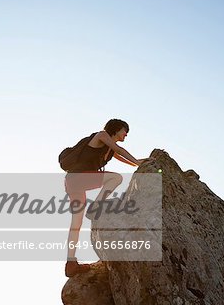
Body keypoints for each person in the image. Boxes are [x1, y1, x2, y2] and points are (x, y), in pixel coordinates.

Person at [64, 119, 155, 277]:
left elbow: (125, 158)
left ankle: (70, 263)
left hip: (73, 182)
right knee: (115, 178)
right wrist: (136, 162)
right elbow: (120, 150)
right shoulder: (102, 135)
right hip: (78, 178)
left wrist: (139, 162)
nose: (126, 134)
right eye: (124, 130)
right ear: (116, 129)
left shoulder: (110, 149)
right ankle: (96, 206)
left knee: (76, 223)